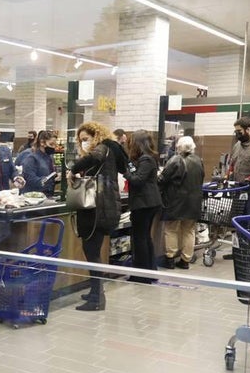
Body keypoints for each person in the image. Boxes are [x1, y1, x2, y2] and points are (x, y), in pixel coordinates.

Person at [69, 122, 126, 311]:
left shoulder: (102, 148)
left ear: (96, 136)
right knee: (93, 251)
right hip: (106, 208)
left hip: (97, 210)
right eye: (81, 140)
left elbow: (91, 159)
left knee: (92, 252)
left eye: (86, 139)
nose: (83, 143)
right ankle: (95, 291)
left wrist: (73, 169)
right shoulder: (113, 150)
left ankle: (97, 300)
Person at [159, 136, 204, 269]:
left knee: (171, 229)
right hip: (194, 201)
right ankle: (185, 260)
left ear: (178, 147)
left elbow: (162, 179)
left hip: (175, 201)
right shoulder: (198, 160)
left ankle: (170, 259)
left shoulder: (175, 160)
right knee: (189, 231)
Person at [124, 130, 162, 283]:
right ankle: (149, 272)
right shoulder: (149, 158)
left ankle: (141, 275)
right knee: (145, 238)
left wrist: (125, 172)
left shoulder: (146, 159)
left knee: (139, 239)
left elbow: (138, 180)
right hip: (149, 203)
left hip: (143, 204)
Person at [19, 130, 60, 197]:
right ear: (42, 143)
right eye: (51, 144)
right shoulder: (31, 159)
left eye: (55, 144)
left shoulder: (49, 157)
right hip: (33, 197)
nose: (54, 147)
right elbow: (31, 180)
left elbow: (50, 174)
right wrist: (50, 179)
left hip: (47, 195)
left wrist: (57, 177)